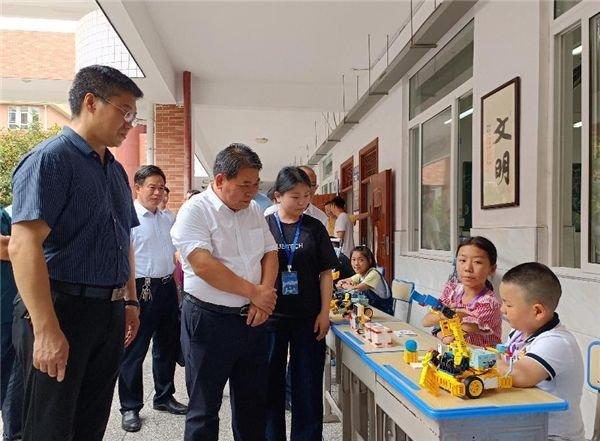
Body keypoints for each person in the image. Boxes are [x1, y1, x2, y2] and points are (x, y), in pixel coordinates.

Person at [8, 64, 142, 441]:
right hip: (61, 309)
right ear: (91, 102)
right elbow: (24, 245)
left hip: (107, 312)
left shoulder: (114, 170)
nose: (130, 122)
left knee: (90, 423)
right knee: (50, 428)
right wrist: (46, 329)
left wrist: (129, 301)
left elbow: (123, 239)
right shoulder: (51, 159)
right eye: (125, 110)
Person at [171, 143, 279, 441]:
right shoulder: (195, 211)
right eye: (245, 184)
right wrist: (254, 292)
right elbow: (203, 265)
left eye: (256, 183)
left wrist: (265, 295)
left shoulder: (254, 209)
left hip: (253, 320)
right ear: (219, 180)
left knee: (252, 403)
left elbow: (270, 252)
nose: (252, 191)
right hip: (209, 321)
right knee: (204, 408)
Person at [264, 166, 337, 441]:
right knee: (270, 384)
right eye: (296, 197)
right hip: (272, 317)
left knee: (307, 384)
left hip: (308, 317)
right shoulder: (265, 226)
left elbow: (326, 273)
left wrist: (324, 312)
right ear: (278, 196)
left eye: (307, 195)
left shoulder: (314, 227)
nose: (303, 202)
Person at [119, 165, 187, 432]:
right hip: (140, 290)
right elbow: (124, 259)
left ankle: (164, 395)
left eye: (161, 187)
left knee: (166, 347)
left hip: (167, 288)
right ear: (137, 188)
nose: (158, 193)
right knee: (133, 351)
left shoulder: (168, 218)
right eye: (152, 187)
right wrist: (128, 299)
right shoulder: (129, 218)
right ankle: (131, 407)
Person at [496, 262, 585, 441]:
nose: (502, 309)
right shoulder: (519, 333)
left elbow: (519, 375)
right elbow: (505, 364)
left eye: (508, 304)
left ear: (537, 311)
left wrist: (481, 359)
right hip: (527, 427)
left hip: (553, 436)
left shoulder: (557, 342)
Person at [421, 236, 502, 348]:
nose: (468, 268)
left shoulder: (489, 303)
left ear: (492, 269)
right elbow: (425, 321)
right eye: (462, 260)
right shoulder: (452, 290)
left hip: (484, 361)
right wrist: (442, 318)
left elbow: (452, 338)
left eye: (477, 262)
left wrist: (438, 330)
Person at [1, 206, 23, 441]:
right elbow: (10, 248)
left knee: (15, 381)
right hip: (3, 316)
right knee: (10, 381)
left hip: (13, 311)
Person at [336, 245, 394, 316]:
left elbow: (357, 289)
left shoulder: (374, 274)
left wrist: (345, 285)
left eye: (361, 260)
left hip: (383, 315)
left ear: (369, 260)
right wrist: (345, 284)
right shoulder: (360, 275)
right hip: (370, 313)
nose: (356, 263)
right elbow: (340, 282)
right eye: (353, 259)